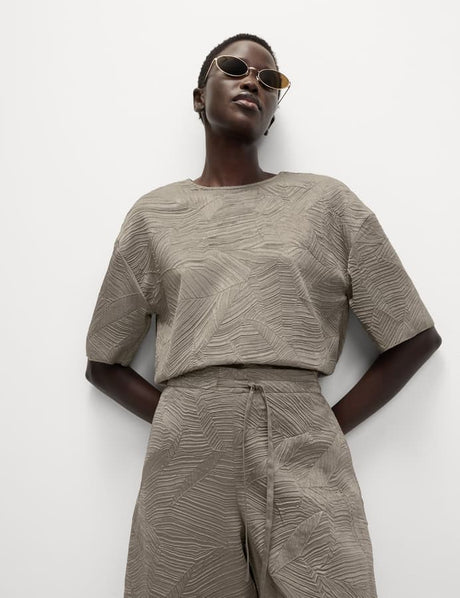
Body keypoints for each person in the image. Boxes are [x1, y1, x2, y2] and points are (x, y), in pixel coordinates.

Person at [85, 32, 442, 598]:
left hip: (301, 432)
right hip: (188, 449)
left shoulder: (327, 203)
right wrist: (189, 418)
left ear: (273, 112)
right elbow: (102, 362)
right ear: (199, 96)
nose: (253, 80)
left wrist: (321, 425)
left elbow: (414, 336)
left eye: (270, 79)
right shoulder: (154, 216)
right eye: (234, 68)